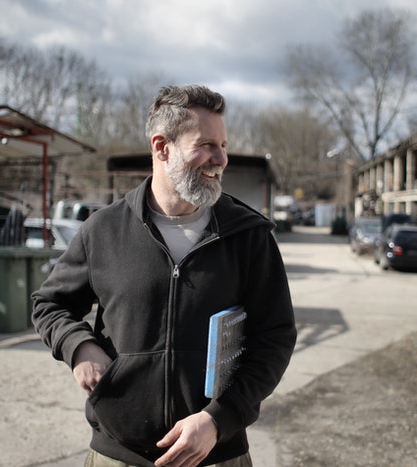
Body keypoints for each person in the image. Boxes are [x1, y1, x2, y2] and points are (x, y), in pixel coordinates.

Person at [32, 84, 296, 467]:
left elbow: (275, 337)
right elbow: (48, 304)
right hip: (117, 454)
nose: (220, 158)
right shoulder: (102, 230)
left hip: (216, 453)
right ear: (162, 147)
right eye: (206, 144)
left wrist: (218, 420)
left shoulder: (249, 235)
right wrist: (78, 347)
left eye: (223, 145)